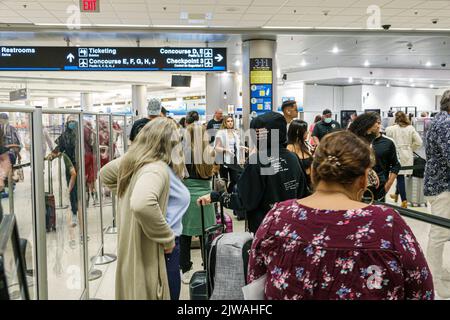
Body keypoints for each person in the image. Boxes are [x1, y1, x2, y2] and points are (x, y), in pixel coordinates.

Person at [247, 130, 434, 300]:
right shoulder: (386, 223)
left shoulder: (278, 216)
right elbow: (421, 289)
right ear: (362, 180)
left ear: (314, 173)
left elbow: (255, 281)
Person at [100, 118, 183, 300]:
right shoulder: (156, 169)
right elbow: (142, 203)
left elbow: (105, 174)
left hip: (138, 247)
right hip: (160, 249)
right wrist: (167, 238)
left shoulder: (139, 163)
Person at [199, 112, 309, 234]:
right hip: (291, 228)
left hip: (266, 230)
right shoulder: (293, 158)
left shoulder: (257, 161)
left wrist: (217, 196)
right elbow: (303, 194)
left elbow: (243, 200)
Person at [180, 123, 216, 284]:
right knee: (206, 236)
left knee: (184, 237)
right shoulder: (210, 152)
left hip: (186, 198)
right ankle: (208, 268)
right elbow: (214, 172)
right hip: (205, 198)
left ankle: (185, 270)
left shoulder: (182, 153)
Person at [424, 90, 450, 298]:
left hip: (439, 185)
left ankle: (441, 272)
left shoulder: (438, 121)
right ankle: (434, 280)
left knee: (443, 233)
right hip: (443, 188)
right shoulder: (446, 124)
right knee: (440, 234)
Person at [349, 112, 401, 202]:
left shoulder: (388, 142)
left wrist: (388, 185)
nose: (378, 126)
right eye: (376, 123)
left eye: (379, 123)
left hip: (380, 189)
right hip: (358, 189)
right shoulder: (357, 142)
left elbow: (396, 165)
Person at [386, 111, 423, 208]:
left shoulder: (391, 129)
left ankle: (404, 200)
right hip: (407, 154)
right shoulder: (411, 128)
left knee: (399, 177)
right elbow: (419, 142)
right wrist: (411, 148)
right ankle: (396, 195)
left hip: (397, 155)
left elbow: (386, 135)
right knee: (400, 175)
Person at [53, 117, 78, 224]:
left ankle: (79, 206)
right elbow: (59, 147)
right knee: (72, 187)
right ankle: (74, 210)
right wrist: (53, 154)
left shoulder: (79, 133)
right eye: (70, 121)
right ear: (67, 123)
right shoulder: (64, 136)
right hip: (70, 163)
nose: (72, 123)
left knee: (80, 186)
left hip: (81, 163)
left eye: (74, 121)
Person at [214, 115, 243, 193]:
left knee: (235, 179)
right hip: (224, 159)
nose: (230, 123)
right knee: (224, 181)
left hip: (233, 159)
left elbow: (234, 145)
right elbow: (216, 147)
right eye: (228, 121)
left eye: (231, 121)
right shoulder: (221, 133)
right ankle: (223, 196)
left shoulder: (235, 132)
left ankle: (229, 194)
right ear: (225, 123)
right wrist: (226, 150)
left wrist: (242, 147)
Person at [287, 119, 313, 189]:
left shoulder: (306, 145)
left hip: (309, 184)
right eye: (305, 131)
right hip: (297, 187)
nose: (307, 133)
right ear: (298, 132)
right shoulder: (289, 148)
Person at [83, 120, 97, 206]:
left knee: (86, 177)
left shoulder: (85, 130)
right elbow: (92, 143)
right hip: (89, 155)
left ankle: (88, 195)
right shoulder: (90, 131)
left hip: (86, 156)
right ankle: (93, 196)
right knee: (91, 178)